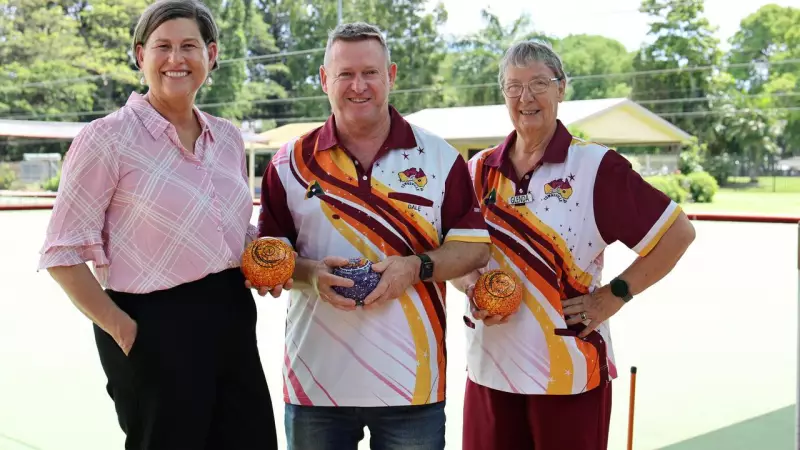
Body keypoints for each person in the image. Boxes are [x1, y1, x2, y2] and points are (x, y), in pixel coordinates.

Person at [38, 1, 279, 448]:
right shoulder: (107, 137)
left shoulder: (226, 136)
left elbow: (229, 231)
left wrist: (267, 262)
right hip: (152, 327)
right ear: (139, 55)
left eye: (189, 45)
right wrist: (123, 329)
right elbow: (61, 253)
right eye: (162, 46)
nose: (176, 58)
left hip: (232, 318)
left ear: (211, 54)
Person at [256, 21, 491, 450]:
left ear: (392, 75)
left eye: (370, 73)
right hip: (315, 385)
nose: (358, 86)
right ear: (325, 80)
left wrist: (415, 268)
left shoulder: (439, 157)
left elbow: (474, 249)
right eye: (345, 74)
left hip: (413, 386)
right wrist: (309, 274)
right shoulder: (288, 163)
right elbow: (269, 258)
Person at [452, 40, 697, 450]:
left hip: (569, 373)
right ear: (503, 94)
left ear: (562, 88)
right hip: (490, 369)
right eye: (513, 86)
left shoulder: (596, 167)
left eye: (539, 83)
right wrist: (471, 287)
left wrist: (615, 295)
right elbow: (454, 254)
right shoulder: (477, 170)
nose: (526, 97)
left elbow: (677, 234)